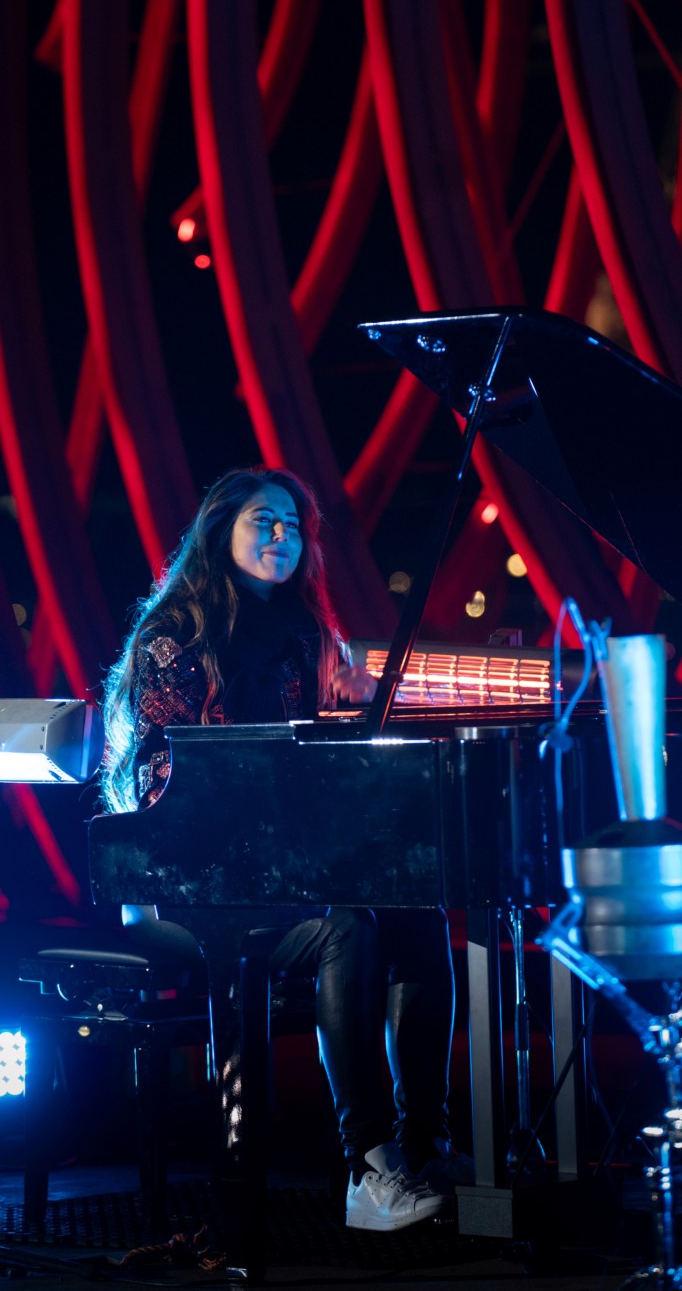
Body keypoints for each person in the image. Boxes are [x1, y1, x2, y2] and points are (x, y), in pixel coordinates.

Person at [101, 466, 462, 1232]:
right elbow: (174, 783)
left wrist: (354, 723)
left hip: (277, 872)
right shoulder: (173, 639)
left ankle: (424, 1144)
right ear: (218, 533)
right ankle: (367, 1166)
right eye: (262, 521)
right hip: (184, 885)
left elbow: (305, 771)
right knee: (348, 924)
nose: (280, 536)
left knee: (418, 916)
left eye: (292, 526)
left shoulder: (301, 638)